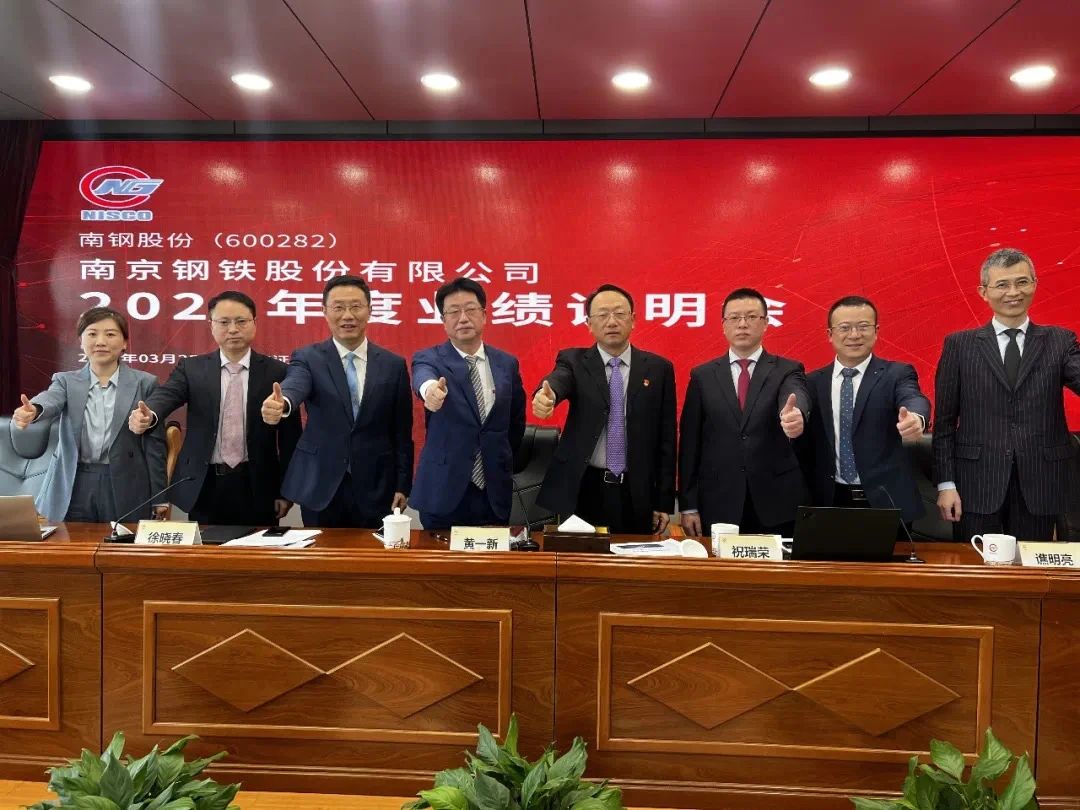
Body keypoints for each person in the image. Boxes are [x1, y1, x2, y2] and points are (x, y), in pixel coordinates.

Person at [933, 247, 1080, 541]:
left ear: (1034, 285)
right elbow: (945, 423)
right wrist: (945, 484)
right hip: (976, 483)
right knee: (975, 566)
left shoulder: (1060, 341)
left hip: (1041, 482)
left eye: (1022, 282)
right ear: (983, 292)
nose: (1013, 292)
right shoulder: (959, 346)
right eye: (1002, 284)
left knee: (1030, 564)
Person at [127, 291, 301, 526]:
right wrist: (150, 414)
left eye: (241, 321)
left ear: (254, 323)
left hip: (259, 485)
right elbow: (166, 396)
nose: (233, 329)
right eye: (224, 322)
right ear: (211, 325)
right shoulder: (192, 368)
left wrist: (285, 491)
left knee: (258, 548)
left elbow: (290, 438)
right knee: (205, 548)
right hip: (205, 484)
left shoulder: (277, 371)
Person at [261, 275, 413, 529]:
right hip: (321, 484)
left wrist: (403, 484)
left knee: (373, 552)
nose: (347, 316)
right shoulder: (308, 358)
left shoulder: (393, 365)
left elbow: (401, 432)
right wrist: (283, 402)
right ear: (324, 311)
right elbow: (296, 384)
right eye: (338, 307)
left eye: (355, 306)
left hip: (377, 486)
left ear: (369, 310)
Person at [532, 283, 676, 534]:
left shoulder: (658, 368)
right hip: (584, 486)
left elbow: (667, 439)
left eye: (619, 314)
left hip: (636, 489)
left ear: (633, 320)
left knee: (633, 556)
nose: (611, 322)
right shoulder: (573, 361)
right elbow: (559, 380)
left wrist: (663, 501)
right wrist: (547, 396)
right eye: (602, 315)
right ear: (589, 323)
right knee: (579, 556)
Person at [9, 307, 166, 524]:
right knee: (69, 542)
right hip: (75, 481)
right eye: (92, 334)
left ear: (124, 343)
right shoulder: (65, 381)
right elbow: (50, 399)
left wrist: (160, 498)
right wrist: (34, 409)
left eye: (110, 334)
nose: (100, 342)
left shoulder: (145, 383)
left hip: (125, 482)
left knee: (122, 543)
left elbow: (155, 446)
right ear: (81, 342)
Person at [679, 288, 809, 537]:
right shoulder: (703, 376)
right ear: (723, 325)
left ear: (766, 323)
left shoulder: (787, 369)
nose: (742, 324)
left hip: (775, 502)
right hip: (719, 503)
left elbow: (796, 395)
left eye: (751, 317)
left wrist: (796, 415)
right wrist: (688, 505)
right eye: (734, 318)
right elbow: (690, 445)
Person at [802, 295, 930, 524]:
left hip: (886, 500)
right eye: (845, 328)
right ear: (830, 334)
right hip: (828, 500)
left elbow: (913, 397)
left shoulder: (897, 374)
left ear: (876, 331)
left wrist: (916, 418)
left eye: (863, 327)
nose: (854, 335)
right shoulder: (812, 382)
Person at [410, 278, 525, 529]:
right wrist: (430, 391)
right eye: (453, 312)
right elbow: (423, 378)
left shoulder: (506, 363)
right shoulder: (429, 358)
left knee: (492, 553)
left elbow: (515, 423)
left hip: (493, 489)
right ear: (443, 320)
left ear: (484, 315)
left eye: (470, 309)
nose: (463, 318)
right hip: (444, 489)